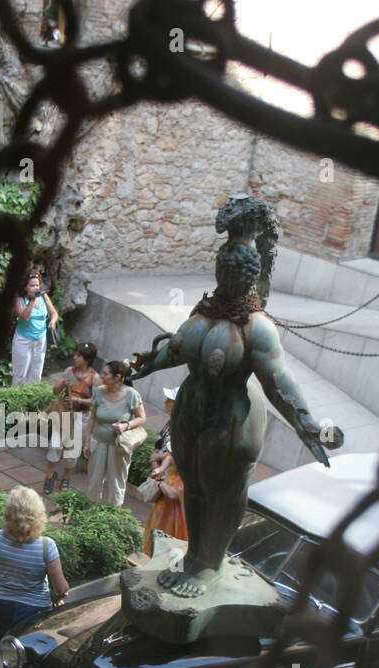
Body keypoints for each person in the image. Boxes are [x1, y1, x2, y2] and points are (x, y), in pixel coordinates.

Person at [129, 197, 342, 598]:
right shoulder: (205, 309)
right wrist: (141, 365)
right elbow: (174, 350)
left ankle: (209, 565)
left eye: (233, 272)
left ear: (248, 276)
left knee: (221, 492)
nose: (225, 277)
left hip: (233, 419)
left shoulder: (257, 326)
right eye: (222, 269)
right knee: (193, 484)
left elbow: (279, 378)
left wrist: (306, 422)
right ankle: (195, 555)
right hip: (191, 413)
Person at [0, 487, 68, 638]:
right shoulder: (47, 546)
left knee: (7, 648)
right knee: (32, 651)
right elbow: (61, 587)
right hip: (34, 608)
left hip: (1, 602)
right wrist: (64, 590)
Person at [82, 360, 146, 507]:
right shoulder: (99, 392)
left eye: (105, 374)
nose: (101, 376)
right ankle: (90, 513)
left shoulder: (132, 395)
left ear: (117, 377)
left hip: (119, 446)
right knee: (94, 480)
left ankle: (113, 515)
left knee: (117, 483)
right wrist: (87, 441)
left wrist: (126, 425)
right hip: (99, 442)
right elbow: (93, 417)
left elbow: (142, 417)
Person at [43, 341, 100, 493]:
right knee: (55, 445)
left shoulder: (95, 378)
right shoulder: (69, 370)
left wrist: (78, 400)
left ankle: (66, 477)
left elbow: (96, 401)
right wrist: (62, 384)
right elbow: (55, 391)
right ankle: (49, 477)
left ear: (86, 359)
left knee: (71, 453)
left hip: (81, 417)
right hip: (63, 414)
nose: (75, 357)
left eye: (78, 355)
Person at [143, 387, 188, 555]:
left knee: (172, 546)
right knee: (157, 537)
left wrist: (159, 480)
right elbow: (169, 454)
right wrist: (159, 468)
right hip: (165, 495)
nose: (165, 402)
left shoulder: (193, 466)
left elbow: (174, 495)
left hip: (177, 508)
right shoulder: (172, 425)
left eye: (169, 399)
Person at [10, 269, 59, 386]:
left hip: (40, 340)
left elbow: (54, 313)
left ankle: (30, 400)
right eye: (32, 285)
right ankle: (13, 401)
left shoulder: (43, 296)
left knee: (36, 374)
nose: (36, 288)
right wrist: (32, 301)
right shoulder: (19, 299)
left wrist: (53, 321)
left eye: (37, 285)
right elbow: (25, 316)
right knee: (20, 375)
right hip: (24, 340)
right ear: (25, 287)